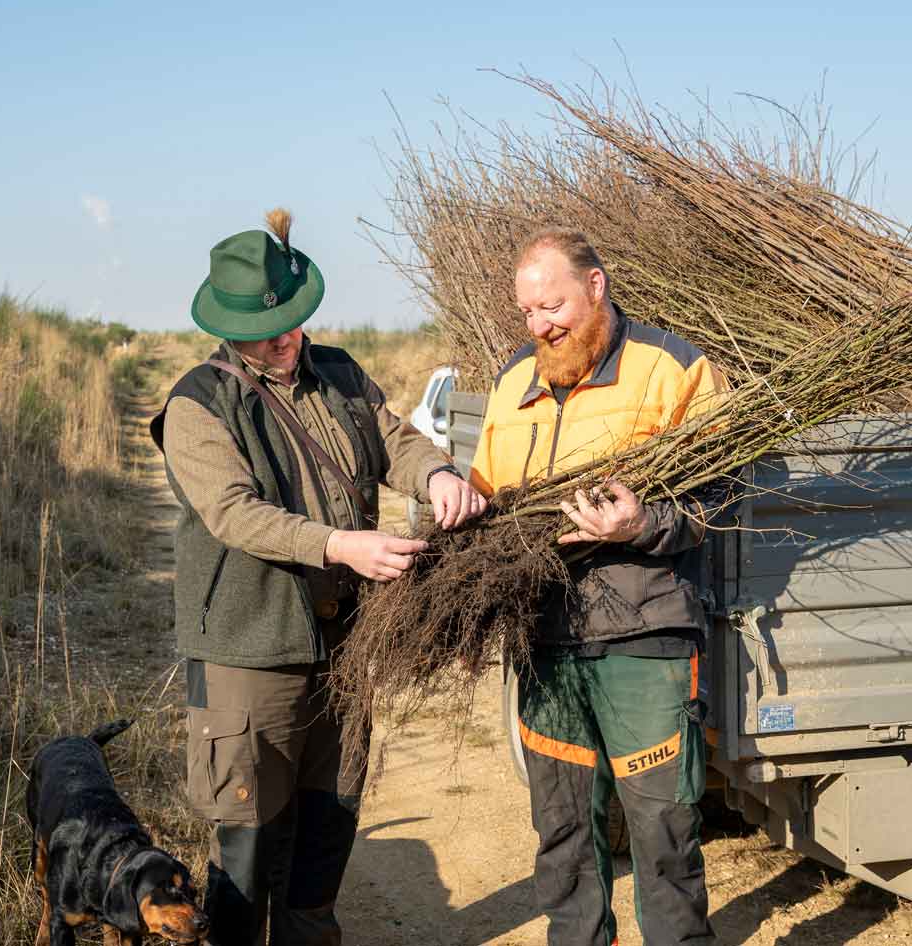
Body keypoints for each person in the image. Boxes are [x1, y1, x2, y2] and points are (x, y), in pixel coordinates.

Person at [150, 209, 486, 946]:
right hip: (249, 655)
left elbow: (393, 437)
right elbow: (234, 514)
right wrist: (341, 545)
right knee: (247, 846)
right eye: (269, 331)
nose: (288, 338)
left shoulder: (336, 370)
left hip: (344, 650)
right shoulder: (196, 405)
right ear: (227, 330)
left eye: (295, 321)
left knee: (326, 834)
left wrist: (436, 474)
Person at [467, 226, 730, 946]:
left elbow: (721, 499)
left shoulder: (672, 369)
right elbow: (486, 493)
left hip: (644, 638)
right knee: (561, 831)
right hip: (545, 639)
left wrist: (642, 525)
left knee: (663, 828)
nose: (541, 325)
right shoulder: (513, 382)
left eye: (552, 306)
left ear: (595, 286)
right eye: (527, 313)